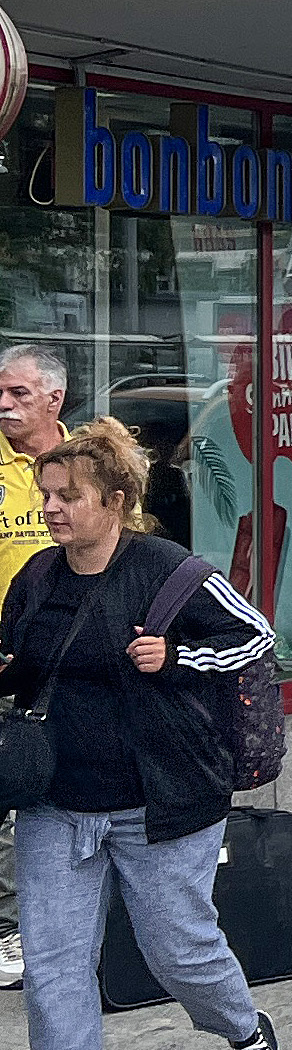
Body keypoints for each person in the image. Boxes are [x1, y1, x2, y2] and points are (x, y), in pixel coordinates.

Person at [0, 419, 284, 1050]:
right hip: (57, 800)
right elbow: (22, 667)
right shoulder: (36, 578)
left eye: (70, 497)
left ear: (116, 501)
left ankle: (247, 1030)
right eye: (48, 495)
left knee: (178, 950)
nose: (53, 509)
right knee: (56, 959)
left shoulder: (169, 570)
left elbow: (255, 636)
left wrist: (178, 655)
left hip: (162, 799)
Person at [0, 342, 75, 996]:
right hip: (5, 664)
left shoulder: (86, 463)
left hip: (75, 661)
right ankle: (7, 930)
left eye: (19, 393)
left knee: (69, 790)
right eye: (0, 390)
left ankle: (61, 920)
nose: (3, 403)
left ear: (54, 398)